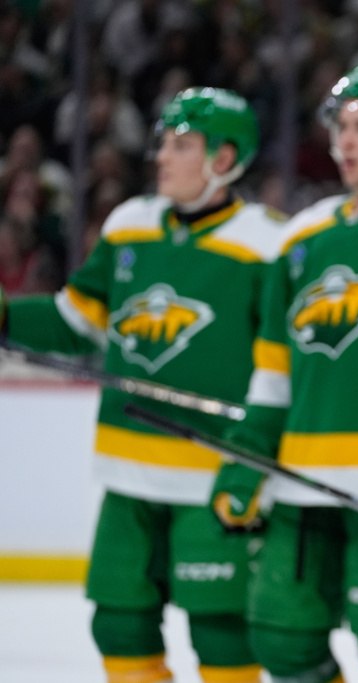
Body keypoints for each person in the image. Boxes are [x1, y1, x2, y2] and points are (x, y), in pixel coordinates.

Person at [0, 87, 286, 683]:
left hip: (215, 470)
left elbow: (278, 366)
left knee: (222, 628)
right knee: (118, 621)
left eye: (182, 146)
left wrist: (253, 458)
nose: (161, 157)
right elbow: (75, 321)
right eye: (163, 144)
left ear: (226, 160)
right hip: (125, 470)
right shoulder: (130, 225)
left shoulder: (268, 243)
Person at [210, 62, 358, 683]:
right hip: (298, 482)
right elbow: (272, 374)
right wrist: (244, 459)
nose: (343, 142)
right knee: (281, 640)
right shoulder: (301, 236)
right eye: (341, 126)